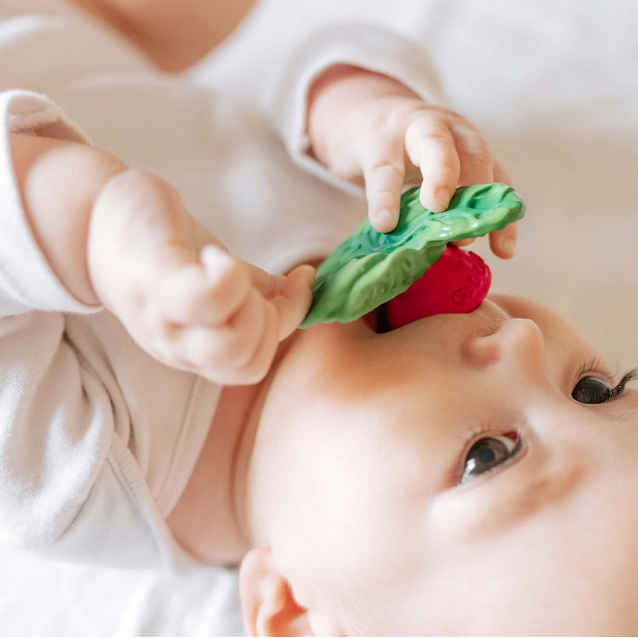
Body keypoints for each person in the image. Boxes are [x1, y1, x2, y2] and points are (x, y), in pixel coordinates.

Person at [4, 2, 638, 637]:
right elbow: (293, 72)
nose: (524, 339)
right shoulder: (388, 239)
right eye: (593, 390)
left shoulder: (87, 472)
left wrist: (95, 232)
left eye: (488, 456)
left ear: (295, 615)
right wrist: (366, 109)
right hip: (94, 35)